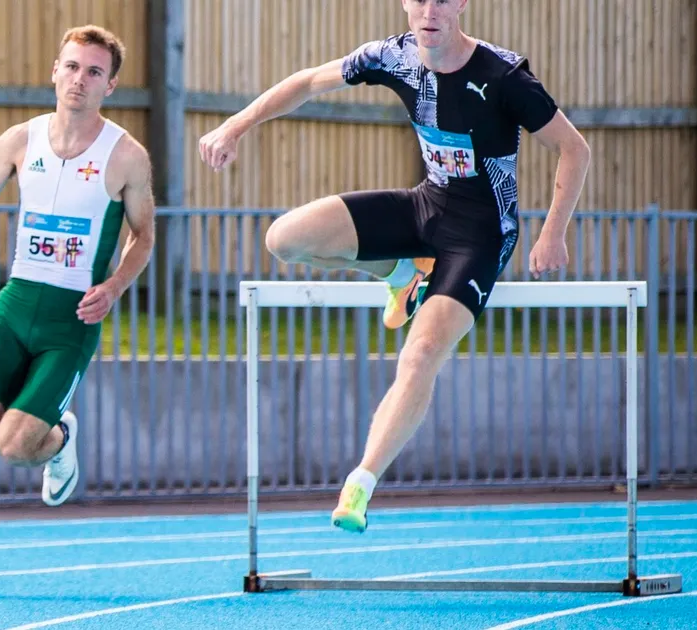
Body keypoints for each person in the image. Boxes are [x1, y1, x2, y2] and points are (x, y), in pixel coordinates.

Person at [198, 0, 590, 533]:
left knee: (423, 351)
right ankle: (403, 275)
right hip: (425, 207)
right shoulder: (394, 56)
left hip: (479, 235)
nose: (430, 11)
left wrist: (552, 233)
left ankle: (361, 482)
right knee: (284, 238)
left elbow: (574, 148)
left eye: (442, 0)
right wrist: (236, 126)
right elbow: (311, 81)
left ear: (462, 4)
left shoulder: (503, 75)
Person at [0, 25, 156, 595]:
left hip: (71, 320)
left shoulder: (126, 156)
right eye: (71, 67)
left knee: (15, 445)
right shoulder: (19, 139)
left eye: (92, 72)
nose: (78, 80)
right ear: (53, 71)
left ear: (110, 84)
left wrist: (113, 286)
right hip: (14, 305)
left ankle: (60, 438)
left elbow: (144, 238)